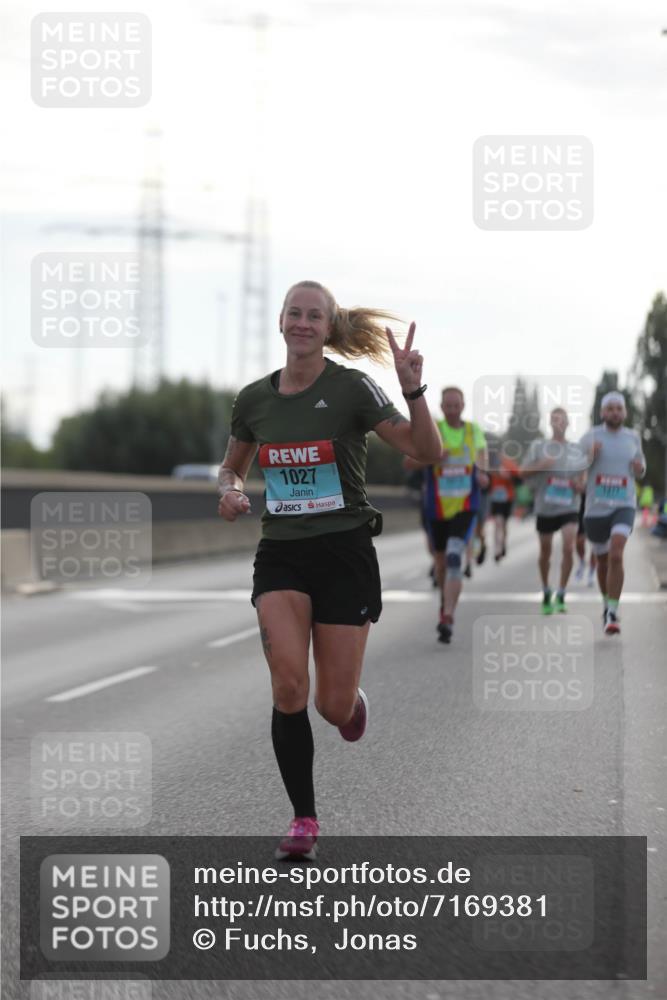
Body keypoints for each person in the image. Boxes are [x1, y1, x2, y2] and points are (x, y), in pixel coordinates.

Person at [217, 280, 441, 860]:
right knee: (289, 684)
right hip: (283, 553)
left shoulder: (352, 389)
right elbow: (232, 468)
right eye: (295, 313)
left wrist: (413, 389)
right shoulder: (253, 401)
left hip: (344, 554)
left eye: (315, 316)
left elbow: (426, 450)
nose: (303, 323)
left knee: (330, 706)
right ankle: (304, 819)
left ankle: (350, 705)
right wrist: (231, 492)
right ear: (282, 322)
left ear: (327, 326)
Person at [405, 386, 489, 644]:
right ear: (441, 407)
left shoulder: (472, 431)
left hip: (465, 505)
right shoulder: (433, 429)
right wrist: (432, 456)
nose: (452, 409)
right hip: (436, 507)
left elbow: (482, 455)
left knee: (454, 557)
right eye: (448, 405)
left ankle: (448, 616)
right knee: (440, 562)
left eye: (456, 405)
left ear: (463, 406)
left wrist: (483, 472)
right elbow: (409, 462)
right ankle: (445, 603)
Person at [579, 391, 646, 635]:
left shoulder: (633, 437)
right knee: (603, 561)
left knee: (617, 553)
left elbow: (640, 467)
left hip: (624, 505)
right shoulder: (590, 437)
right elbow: (574, 466)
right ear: (602, 412)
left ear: (625, 412)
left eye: (619, 408)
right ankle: (606, 603)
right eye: (610, 408)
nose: (615, 412)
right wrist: (589, 457)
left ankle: (613, 611)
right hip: (596, 509)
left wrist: (639, 469)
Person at [521, 408, 588, 614]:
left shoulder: (576, 450)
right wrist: (542, 464)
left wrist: (581, 484)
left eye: (562, 420)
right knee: (545, 552)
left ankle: (561, 592)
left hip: (569, 505)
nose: (558, 423)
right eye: (554, 420)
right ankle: (546, 589)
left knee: (569, 546)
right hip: (545, 506)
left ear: (567, 423)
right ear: (550, 423)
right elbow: (522, 473)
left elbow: (584, 473)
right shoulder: (539, 446)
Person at [488, 452, 521, 561]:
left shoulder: (509, 463)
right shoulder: (490, 464)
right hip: (495, 499)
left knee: (504, 525)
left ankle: (503, 544)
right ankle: (497, 549)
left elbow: (519, 479)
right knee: (498, 523)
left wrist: (509, 476)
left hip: (507, 498)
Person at [574, 492, 597, 586]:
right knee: (579, 541)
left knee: (595, 544)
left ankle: (591, 572)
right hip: (580, 507)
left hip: (596, 506)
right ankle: (582, 562)